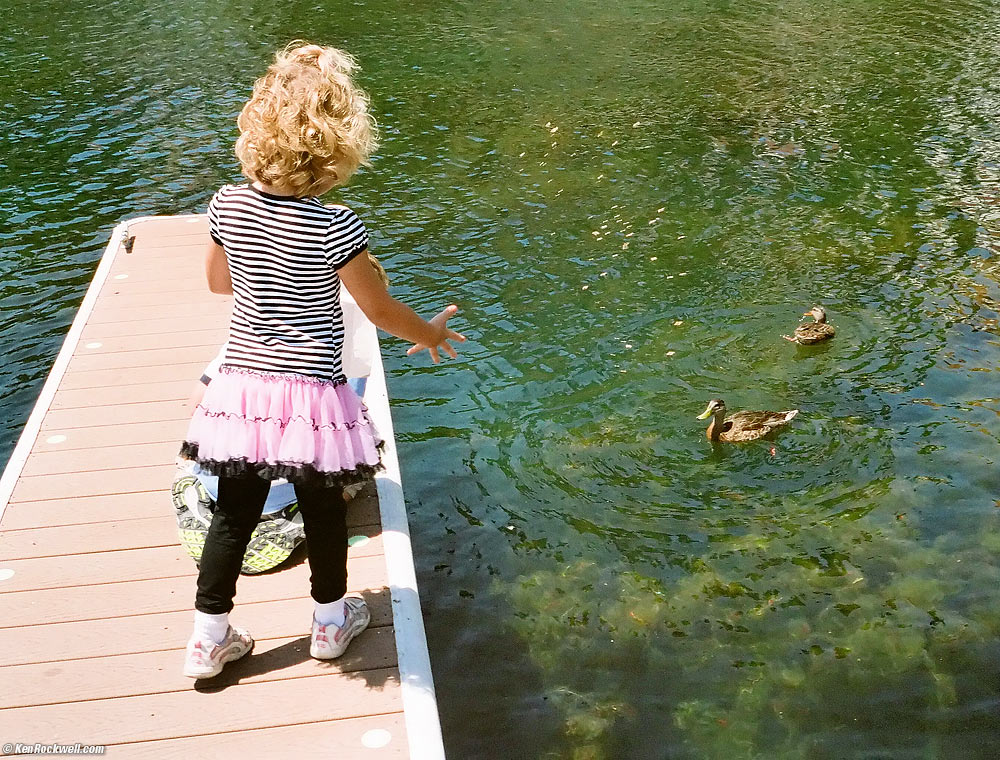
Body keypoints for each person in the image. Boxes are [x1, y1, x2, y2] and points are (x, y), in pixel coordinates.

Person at [181, 42, 465, 679]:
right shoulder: (341, 227)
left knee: (233, 513)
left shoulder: (227, 205)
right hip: (313, 398)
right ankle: (331, 624)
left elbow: (217, 284)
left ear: (256, 133)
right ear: (340, 148)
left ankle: (207, 638)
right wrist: (431, 333)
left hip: (244, 394)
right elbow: (382, 310)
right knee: (324, 509)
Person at [172, 258, 391, 575]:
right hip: (286, 499)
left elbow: (195, 402)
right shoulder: (349, 350)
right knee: (360, 450)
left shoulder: (249, 339)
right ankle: (301, 516)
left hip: (221, 487)